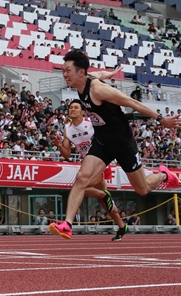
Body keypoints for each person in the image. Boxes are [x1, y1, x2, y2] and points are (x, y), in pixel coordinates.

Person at [50, 50, 181, 240]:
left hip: (123, 143)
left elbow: (131, 102)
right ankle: (67, 225)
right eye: (63, 70)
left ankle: (163, 175)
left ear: (81, 72)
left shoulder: (99, 90)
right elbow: (99, 73)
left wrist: (161, 118)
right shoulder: (83, 81)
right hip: (103, 142)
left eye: (67, 71)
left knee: (142, 189)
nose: (64, 74)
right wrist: (109, 74)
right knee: (82, 177)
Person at [53, 98, 129, 241]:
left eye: (76, 107)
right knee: (104, 201)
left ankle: (101, 195)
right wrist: (60, 146)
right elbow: (67, 154)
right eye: (71, 108)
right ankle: (121, 225)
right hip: (87, 164)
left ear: (83, 111)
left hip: (100, 162)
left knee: (80, 187)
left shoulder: (90, 123)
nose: (72, 110)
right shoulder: (67, 129)